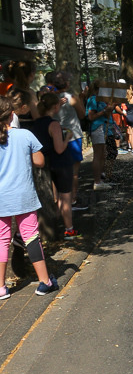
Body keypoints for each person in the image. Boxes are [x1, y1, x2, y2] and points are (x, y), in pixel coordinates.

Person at [0, 95, 60, 298]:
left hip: (1, 197)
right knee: (31, 237)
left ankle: (1, 288)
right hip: (24, 195)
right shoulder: (25, 135)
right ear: (12, 115)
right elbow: (40, 161)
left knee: (1, 240)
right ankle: (44, 282)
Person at [32, 92, 78, 237]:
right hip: (61, 163)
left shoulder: (36, 124)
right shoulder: (54, 124)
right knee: (66, 197)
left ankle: (54, 227)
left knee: (55, 196)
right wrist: (68, 137)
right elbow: (59, 148)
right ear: (55, 106)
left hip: (46, 163)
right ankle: (69, 229)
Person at [50, 71, 87, 209]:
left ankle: (56, 200)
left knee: (56, 170)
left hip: (55, 135)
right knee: (74, 172)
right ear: (67, 83)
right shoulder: (71, 97)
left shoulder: (50, 99)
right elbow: (82, 114)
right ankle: (73, 199)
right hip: (72, 135)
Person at [85, 81, 116, 191]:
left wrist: (109, 109)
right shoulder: (93, 99)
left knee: (103, 154)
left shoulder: (101, 99)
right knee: (98, 155)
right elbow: (91, 116)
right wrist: (104, 111)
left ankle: (101, 179)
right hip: (97, 128)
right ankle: (97, 181)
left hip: (104, 128)